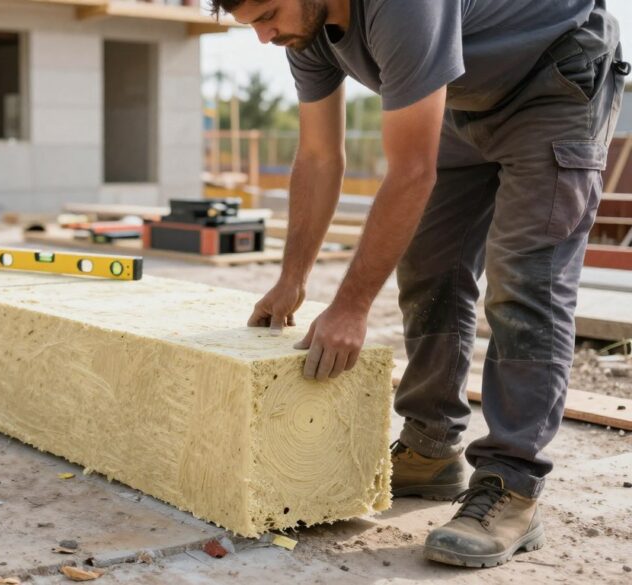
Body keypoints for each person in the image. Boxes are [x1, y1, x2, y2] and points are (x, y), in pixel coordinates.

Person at [210, 0, 627, 568]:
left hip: (552, 78)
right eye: (252, 23)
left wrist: (352, 306)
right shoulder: (302, 31)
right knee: (429, 267)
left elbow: (410, 171)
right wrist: (292, 279)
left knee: (525, 282)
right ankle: (431, 447)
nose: (262, 36)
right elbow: (318, 154)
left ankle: (512, 484)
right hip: (465, 97)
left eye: (268, 14)